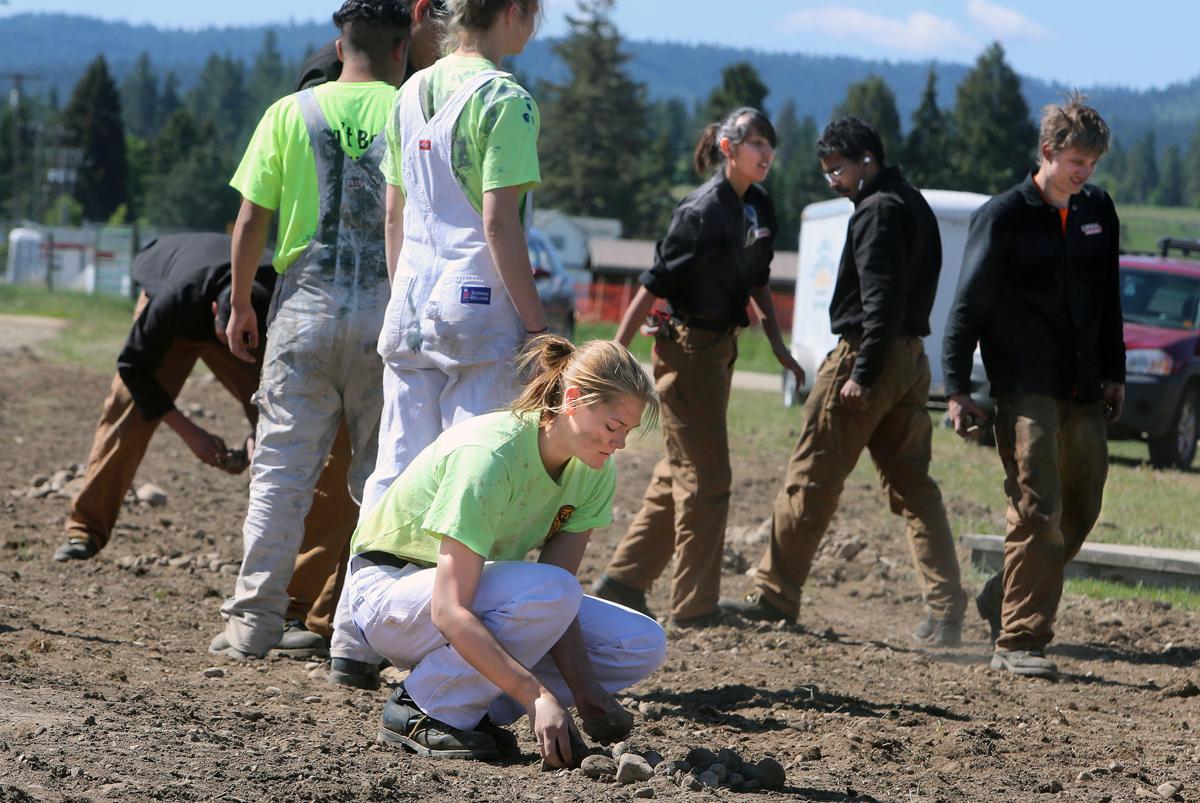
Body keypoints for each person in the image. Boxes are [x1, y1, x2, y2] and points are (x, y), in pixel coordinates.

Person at [326, 0, 548, 687]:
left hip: (412, 305)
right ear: (512, 12)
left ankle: (352, 634)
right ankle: (455, 643)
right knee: (470, 488)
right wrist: (538, 326)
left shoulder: (409, 92)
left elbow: (394, 213)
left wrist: (406, 293)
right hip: (478, 316)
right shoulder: (506, 100)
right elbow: (499, 222)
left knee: (393, 472)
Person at [345, 335, 665, 766]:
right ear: (572, 400)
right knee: (550, 589)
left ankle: (469, 708)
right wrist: (536, 696)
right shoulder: (489, 455)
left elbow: (561, 601)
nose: (620, 443)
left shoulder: (594, 471)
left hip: (465, 594)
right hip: (390, 595)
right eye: (613, 426)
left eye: (627, 430)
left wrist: (585, 691)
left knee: (640, 643)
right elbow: (448, 609)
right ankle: (423, 709)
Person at [211, 0, 412, 659]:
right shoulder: (413, 113)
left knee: (280, 473)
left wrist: (241, 303)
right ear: (401, 49)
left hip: (302, 309)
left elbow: (249, 223)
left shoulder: (287, 113)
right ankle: (357, 634)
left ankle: (252, 625)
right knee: (381, 481)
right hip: (385, 317)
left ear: (338, 43)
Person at [721, 117, 968, 645]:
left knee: (811, 474)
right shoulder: (914, 203)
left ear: (866, 160)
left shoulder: (877, 210)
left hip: (868, 355)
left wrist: (862, 371)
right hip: (911, 359)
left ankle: (773, 593)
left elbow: (880, 300)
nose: (833, 180)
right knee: (914, 487)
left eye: (837, 169)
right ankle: (947, 608)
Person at [53, 233, 358, 658]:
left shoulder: (279, 306)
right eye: (228, 334)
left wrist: (260, 433)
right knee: (127, 409)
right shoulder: (177, 300)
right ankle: (84, 528)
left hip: (250, 319)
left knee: (293, 422)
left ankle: (299, 604)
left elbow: (282, 393)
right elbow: (133, 367)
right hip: (180, 305)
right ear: (218, 311)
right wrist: (191, 433)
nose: (230, 348)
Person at [588, 107, 804, 628]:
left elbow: (758, 280)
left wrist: (777, 345)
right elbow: (652, 283)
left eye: (770, 145)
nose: (766, 153)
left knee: (679, 472)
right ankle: (695, 607)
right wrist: (615, 353)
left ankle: (622, 582)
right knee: (708, 480)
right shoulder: (701, 210)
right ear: (728, 149)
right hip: (686, 354)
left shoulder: (759, 207)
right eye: (756, 143)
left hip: (721, 353)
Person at [943, 94, 1124, 679]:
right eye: (1077, 160)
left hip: (1085, 386)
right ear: (1048, 151)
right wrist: (955, 386)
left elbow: (1109, 300)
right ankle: (1019, 641)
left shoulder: (1099, 211)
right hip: (1024, 387)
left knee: (1082, 505)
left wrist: (1114, 370)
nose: (1085, 172)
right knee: (1036, 507)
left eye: (1092, 163)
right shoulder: (1003, 216)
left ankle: (1004, 594)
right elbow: (967, 305)